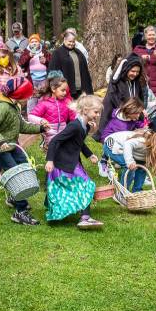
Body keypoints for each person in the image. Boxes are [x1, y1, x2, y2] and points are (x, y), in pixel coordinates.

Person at [0, 78, 45, 226]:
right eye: (27, 96)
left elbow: (21, 126)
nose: (29, 99)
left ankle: (13, 196)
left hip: (10, 144)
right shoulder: (0, 107)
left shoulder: (12, 105)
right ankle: (20, 211)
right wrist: (0, 142)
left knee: (24, 167)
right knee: (15, 173)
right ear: (19, 95)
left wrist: (40, 128)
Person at [44, 94, 104, 229]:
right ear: (85, 110)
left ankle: (84, 216)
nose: (98, 115)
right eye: (96, 112)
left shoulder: (85, 126)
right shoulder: (74, 126)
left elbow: (79, 143)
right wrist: (50, 160)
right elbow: (55, 141)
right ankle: (85, 218)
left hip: (73, 161)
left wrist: (90, 155)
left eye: (98, 112)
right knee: (87, 184)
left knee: (84, 184)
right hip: (63, 162)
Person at [28, 75, 78, 149]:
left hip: (64, 134)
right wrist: (41, 120)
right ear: (53, 89)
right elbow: (30, 117)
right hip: (50, 136)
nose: (65, 93)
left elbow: (74, 117)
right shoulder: (44, 103)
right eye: (62, 90)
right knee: (54, 156)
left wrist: (84, 119)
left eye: (66, 90)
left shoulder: (67, 102)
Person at [132, 26, 156, 105]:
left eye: (153, 35)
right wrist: (140, 59)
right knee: (141, 111)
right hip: (141, 84)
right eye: (149, 35)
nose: (151, 37)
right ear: (145, 36)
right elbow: (131, 62)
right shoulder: (138, 49)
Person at [49, 30, 93, 99]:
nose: (72, 43)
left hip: (81, 89)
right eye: (70, 41)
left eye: (73, 42)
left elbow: (85, 72)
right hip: (66, 90)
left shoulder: (79, 53)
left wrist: (88, 89)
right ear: (64, 40)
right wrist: (57, 88)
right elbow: (53, 72)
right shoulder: (57, 53)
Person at [18, 34, 51, 108]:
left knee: (43, 100)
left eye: (36, 41)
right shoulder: (26, 51)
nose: (34, 43)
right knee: (32, 100)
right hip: (31, 80)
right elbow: (20, 63)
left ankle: (43, 116)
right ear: (29, 43)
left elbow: (51, 63)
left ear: (39, 42)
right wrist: (29, 56)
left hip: (43, 79)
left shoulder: (44, 51)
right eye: (32, 42)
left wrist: (45, 61)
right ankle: (31, 117)